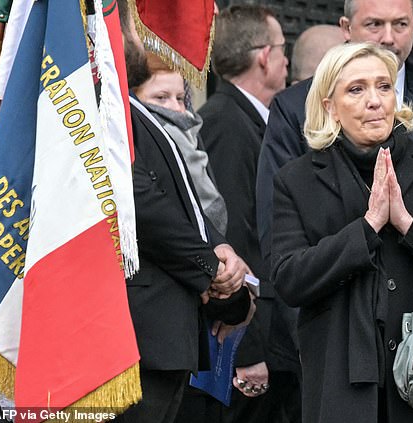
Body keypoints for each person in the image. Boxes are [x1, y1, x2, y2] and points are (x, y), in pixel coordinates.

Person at [270, 42, 413, 423]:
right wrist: (368, 226)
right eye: (356, 89)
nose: (375, 100)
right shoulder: (297, 180)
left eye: (384, 86)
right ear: (329, 107)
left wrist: (410, 227)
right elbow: (289, 280)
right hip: (343, 386)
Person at [256, 0, 413, 264]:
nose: (387, 38)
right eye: (374, 24)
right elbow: (282, 245)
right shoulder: (294, 107)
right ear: (346, 27)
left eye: (400, 24)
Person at [114, 1, 255, 422]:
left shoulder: (136, 114)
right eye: (134, 28)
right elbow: (141, 202)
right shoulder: (105, 111)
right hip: (137, 340)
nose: (144, 38)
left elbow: (182, 205)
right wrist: (211, 265)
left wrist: (222, 254)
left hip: (166, 340)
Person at [198, 5, 301, 423]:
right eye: (281, 49)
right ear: (263, 56)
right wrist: (250, 349)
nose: (286, 59)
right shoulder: (226, 121)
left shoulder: (255, 121)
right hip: (251, 339)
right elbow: (234, 237)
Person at [133, 52, 228, 235]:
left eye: (180, 98)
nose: (175, 108)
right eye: (161, 98)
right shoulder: (168, 135)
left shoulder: (191, 137)